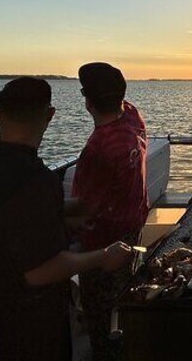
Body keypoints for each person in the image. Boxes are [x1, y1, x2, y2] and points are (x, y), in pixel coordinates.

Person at [0, 77, 132, 360]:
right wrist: (103, 256)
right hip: (34, 330)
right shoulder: (38, 180)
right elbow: (40, 271)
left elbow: (5, 225)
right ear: (50, 115)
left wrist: (66, 215)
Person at [72, 62, 149, 361]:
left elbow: (85, 208)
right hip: (133, 226)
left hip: (102, 243)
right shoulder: (133, 119)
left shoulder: (96, 149)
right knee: (125, 296)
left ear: (87, 100)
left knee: (101, 314)